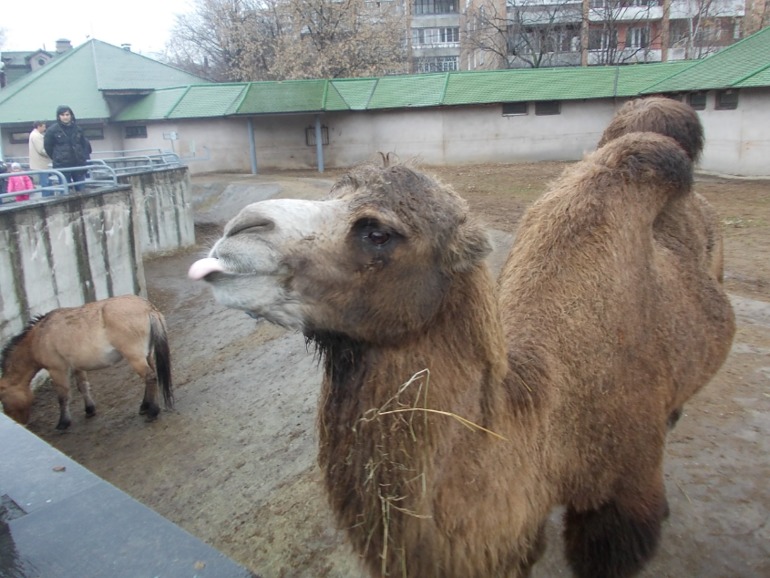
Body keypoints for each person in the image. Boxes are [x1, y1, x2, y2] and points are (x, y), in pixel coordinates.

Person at [43, 105, 91, 192]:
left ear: (71, 115)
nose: (65, 117)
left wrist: (83, 157)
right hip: (62, 165)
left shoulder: (78, 129)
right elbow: (48, 147)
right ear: (58, 116)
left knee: (82, 190)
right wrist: (57, 157)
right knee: (65, 191)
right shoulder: (52, 130)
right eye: (62, 115)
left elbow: (84, 145)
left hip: (78, 164)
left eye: (67, 114)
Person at [28, 121, 52, 195]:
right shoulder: (37, 136)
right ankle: (48, 198)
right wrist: (52, 154)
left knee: (46, 182)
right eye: (44, 126)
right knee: (46, 183)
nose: (45, 128)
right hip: (42, 163)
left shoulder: (33, 134)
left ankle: (48, 197)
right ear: (39, 126)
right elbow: (41, 150)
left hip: (39, 163)